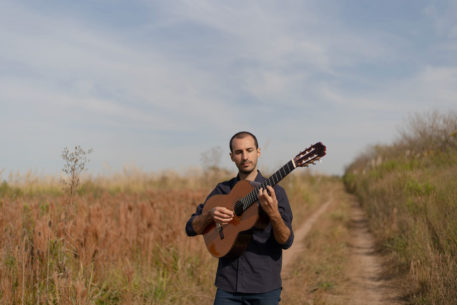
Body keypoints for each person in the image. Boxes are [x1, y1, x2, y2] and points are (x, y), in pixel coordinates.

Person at [185, 131, 294, 305]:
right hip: (228, 287)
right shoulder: (222, 191)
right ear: (232, 157)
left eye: (249, 150)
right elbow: (190, 228)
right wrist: (209, 216)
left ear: (258, 152)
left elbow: (286, 241)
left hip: (264, 287)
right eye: (239, 152)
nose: (245, 157)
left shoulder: (276, 193)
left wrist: (273, 214)